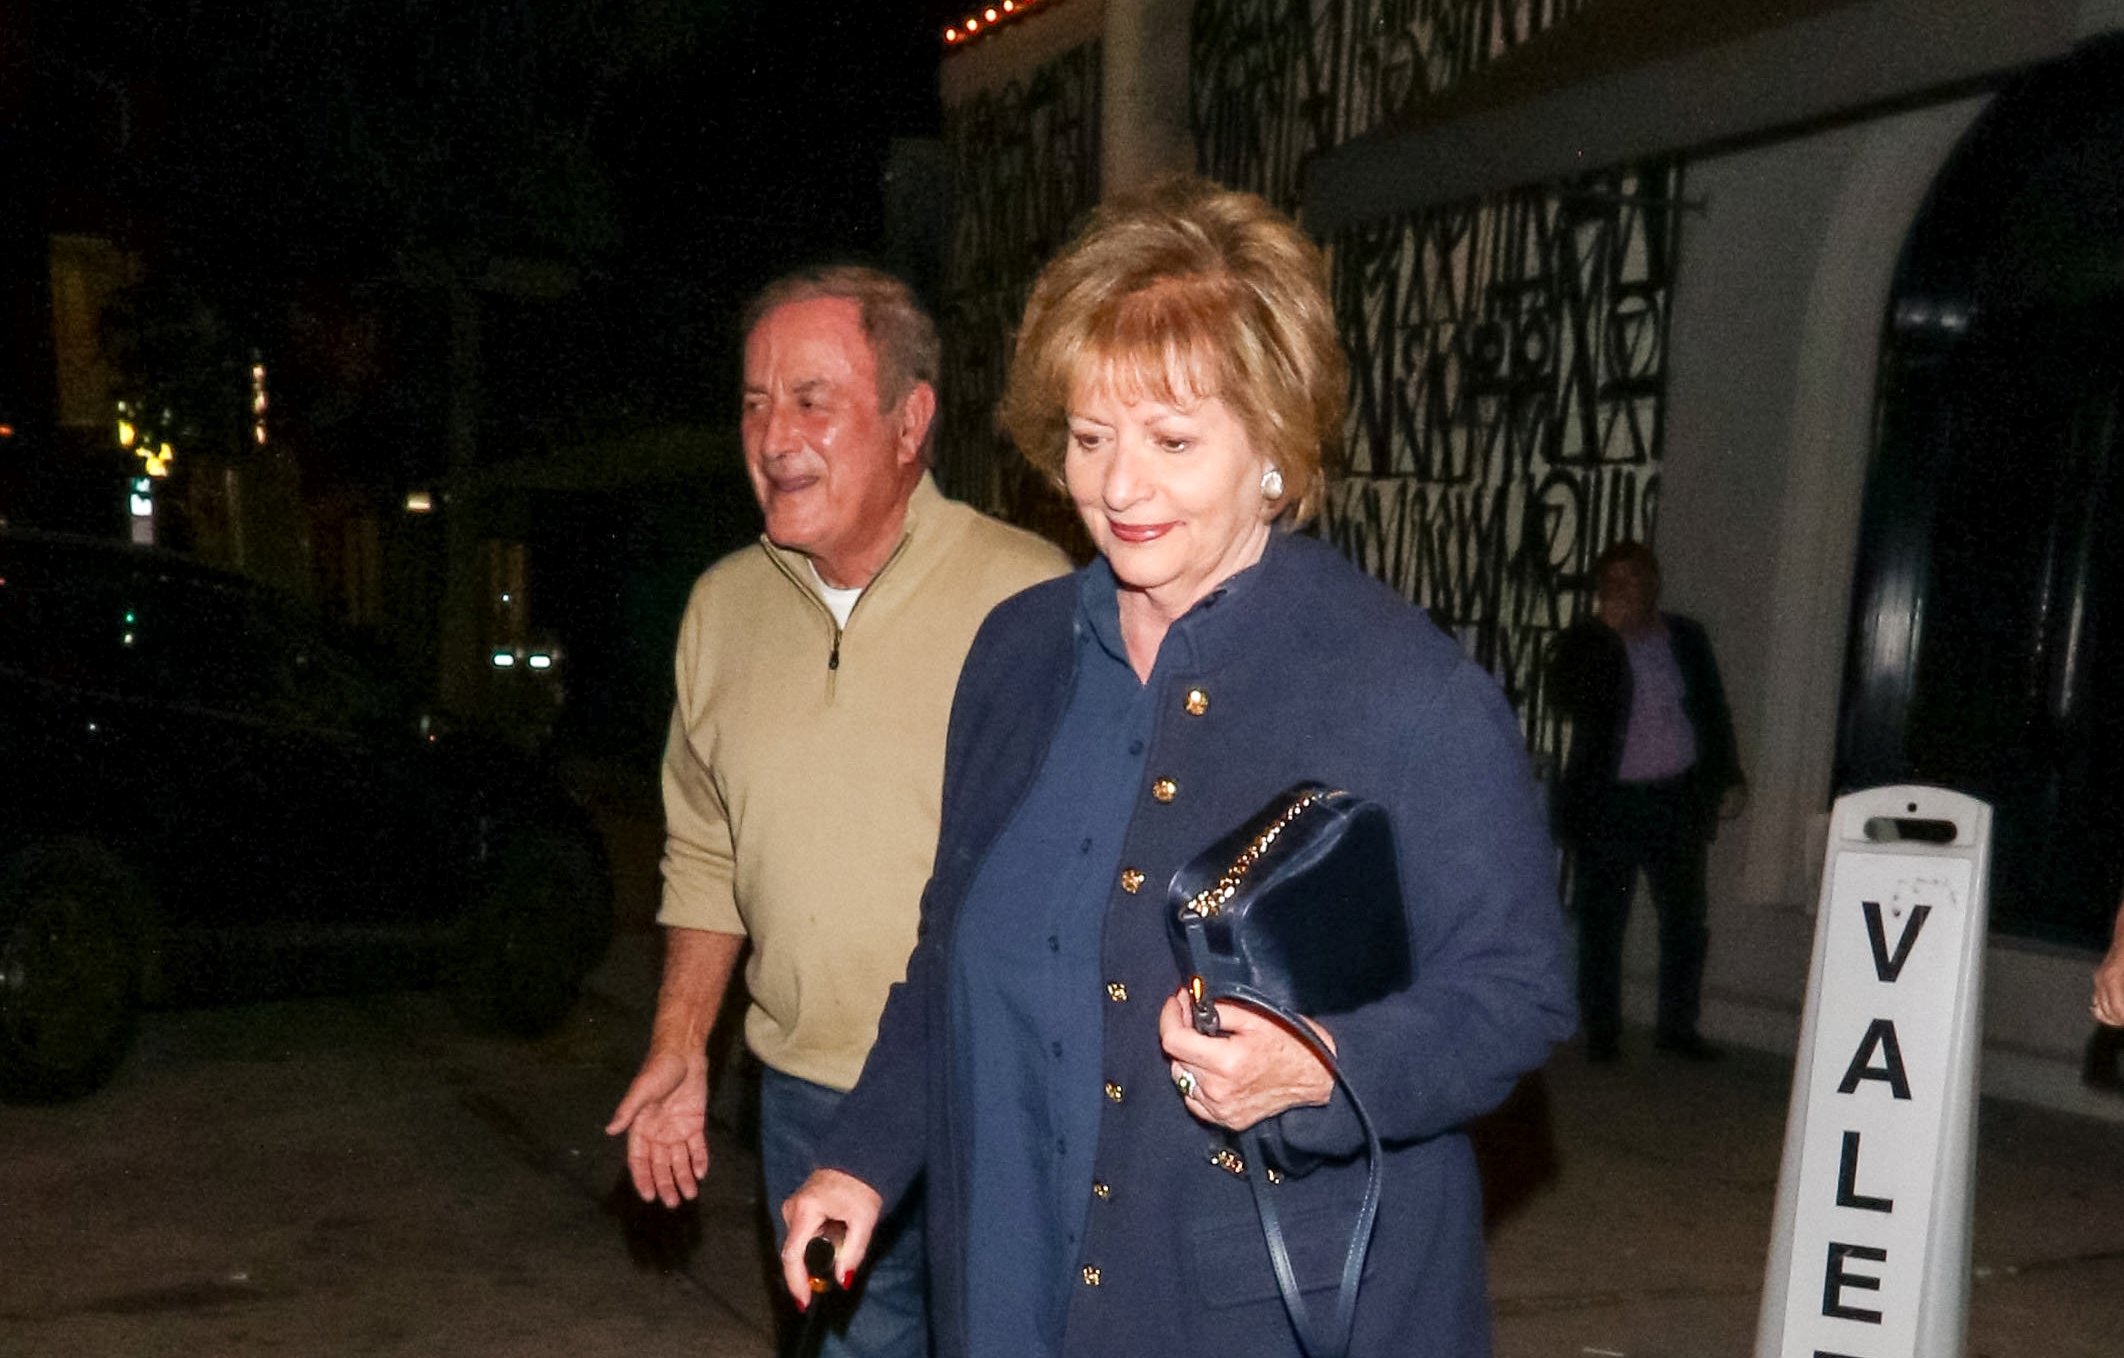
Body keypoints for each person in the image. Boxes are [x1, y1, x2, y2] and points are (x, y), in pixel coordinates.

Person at [777, 177, 1575, 1358]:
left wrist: (1325, 1066)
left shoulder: (1404, 688)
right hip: (1006, 1277)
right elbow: (949, 952)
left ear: (1274, 444)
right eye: (1092, 438)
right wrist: (863, 1153)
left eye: (1172, 440)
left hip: (1248, 1308)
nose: (1120, 487)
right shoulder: (1018, 654)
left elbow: (1518, 989)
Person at [604, 265, 1070, 1358]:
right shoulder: (722, 605)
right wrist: (680, 1041)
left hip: (989, 1098)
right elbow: (708, 848)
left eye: (811, 399)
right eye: (756, 402)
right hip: (806, 1095)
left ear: (912, 421)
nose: (773, 434)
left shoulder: (1033, 598)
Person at [1547, 540, 1745, 1063]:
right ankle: (1603, 1035)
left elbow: (1710, 708)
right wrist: (1603, 640)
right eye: (1610, 582)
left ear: (1652, 583)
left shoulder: (1685, 637)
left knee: (1683, 919)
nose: (1621, 591)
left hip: (1674, 797)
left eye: (1630, 579)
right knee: (1603, 922)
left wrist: (1729, 776)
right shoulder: (1588, 642)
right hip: (1609, 803)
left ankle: (1677, 1029)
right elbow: (1565, 698)